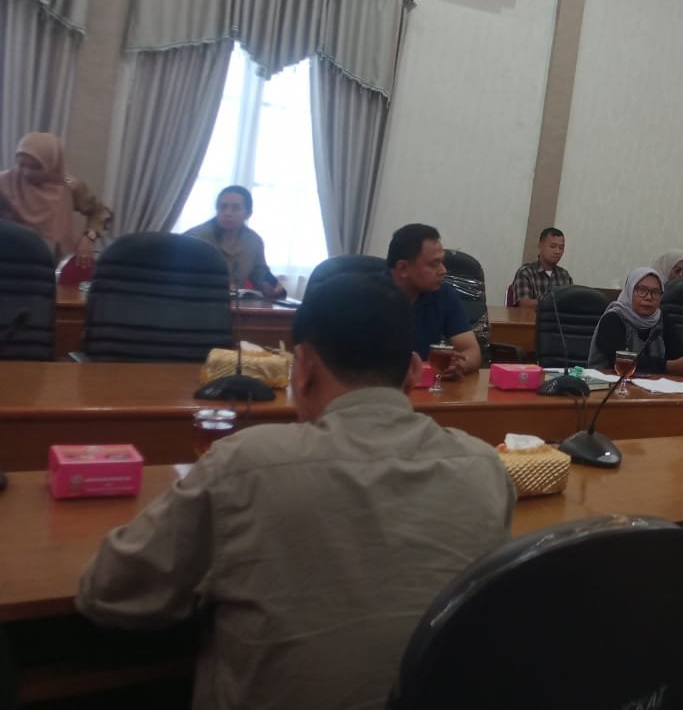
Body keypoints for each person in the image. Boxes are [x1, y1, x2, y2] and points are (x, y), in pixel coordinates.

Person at [76, 271, 516, 710]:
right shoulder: (485, 468)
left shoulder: (244, 465)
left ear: (301, 368)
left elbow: (107, 590)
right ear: (414, 371)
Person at [0, 132, 111, 267]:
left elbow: (100, 212)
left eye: (35, 167)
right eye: (21, 165)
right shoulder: (4, 182)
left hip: (54, 261)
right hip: (9, 259)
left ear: (52, 164)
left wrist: (88, 238)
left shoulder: (69, 186)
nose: (26, 172)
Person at [387, 223, 481, 376]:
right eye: (433, 264)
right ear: (403, 268)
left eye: (442, 262)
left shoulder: (443, 294)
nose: (443, 271)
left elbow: (471, 350)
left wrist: (460, 365)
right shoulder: (369, 298)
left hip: (428, 385)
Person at [587, 267, 683, 377]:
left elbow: (679, 353)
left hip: (650, 386)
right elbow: (620, 361)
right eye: (642, 290)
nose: (649, 297)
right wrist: (669, 366)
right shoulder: (613, 318)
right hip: (607, 384)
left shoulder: (661, 319)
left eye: (655, 292)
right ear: (630, 291)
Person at [184, 186, 286, 299]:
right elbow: (183, 275)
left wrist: (270, 285)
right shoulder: (195, 237)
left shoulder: (254, 240)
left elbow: (259, 271)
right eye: (223, 207)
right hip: (196, 301)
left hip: (231, 303)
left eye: (235, 208)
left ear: (248, 214)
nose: (227, 213)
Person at [510, 227, 573, 308]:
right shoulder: (525, 272)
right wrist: (556, 302)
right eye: (553, 246)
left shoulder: (565, 275)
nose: (557, 251)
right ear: (540, 246)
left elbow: (571, 304)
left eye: (561, 248)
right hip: (532, 316)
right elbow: (524, 305)